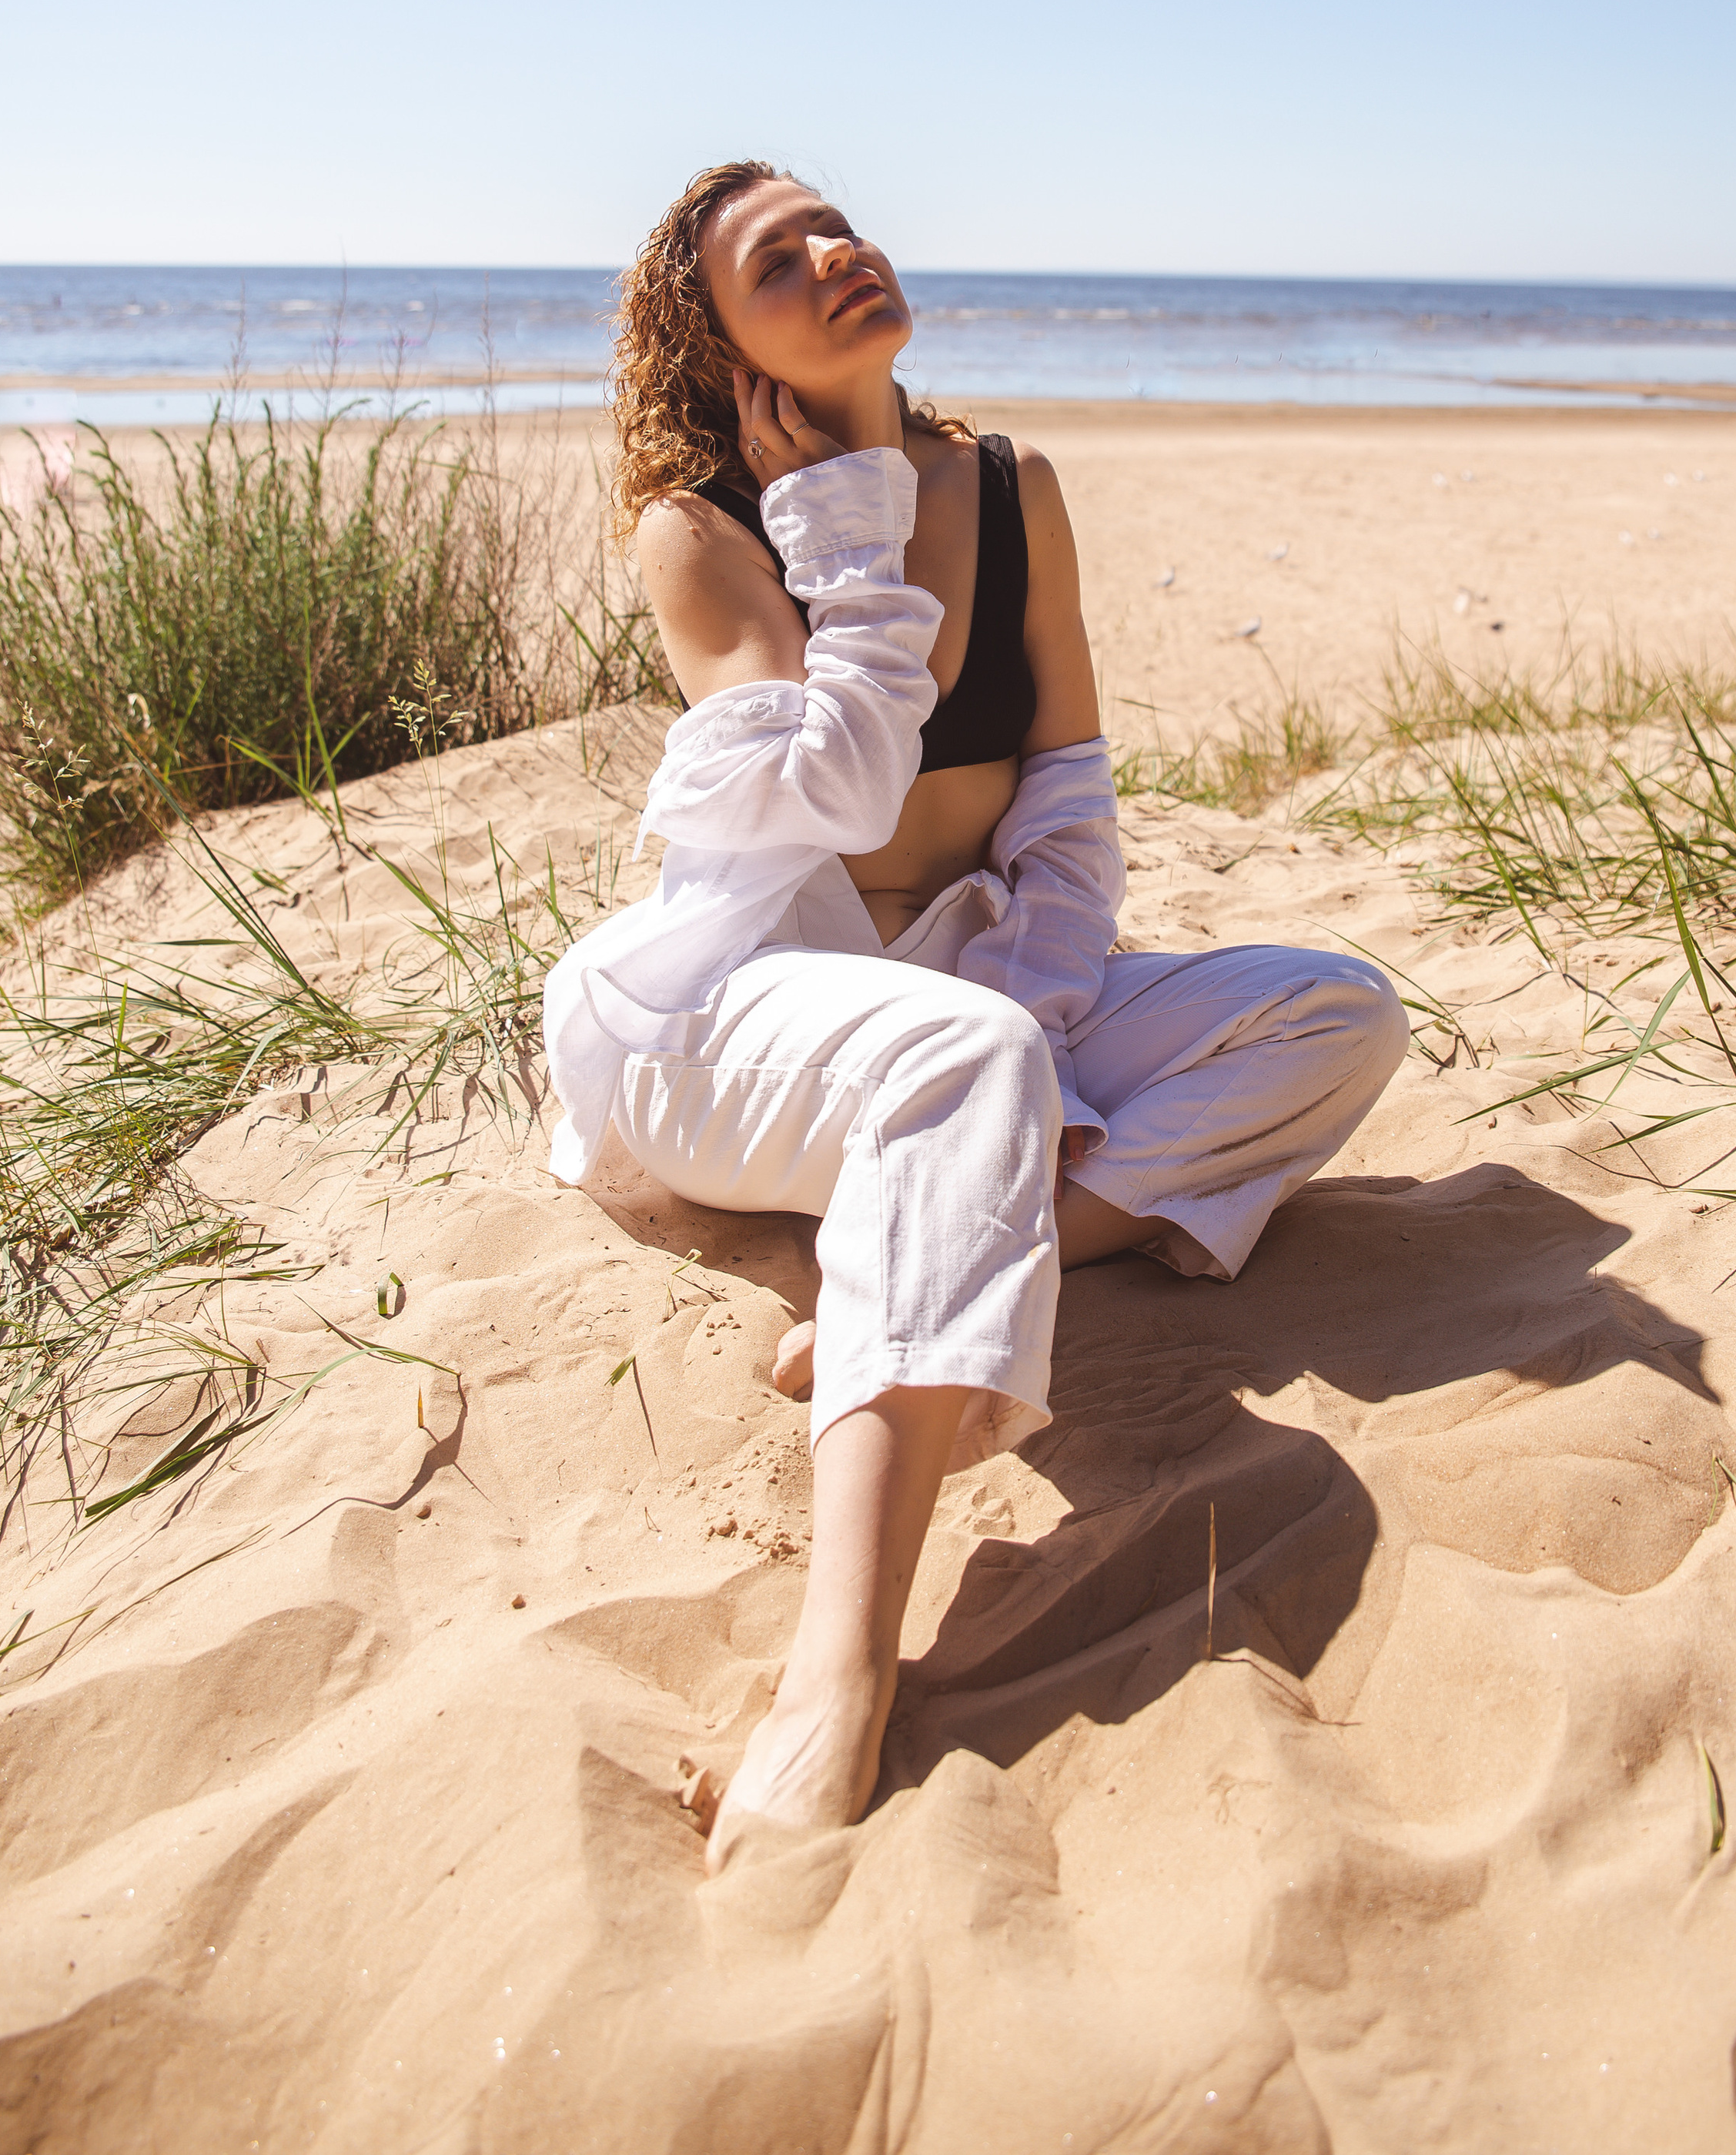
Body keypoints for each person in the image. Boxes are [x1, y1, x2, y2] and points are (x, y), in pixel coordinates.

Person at [543, 160, 1407, 1864]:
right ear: (715, 345)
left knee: (1337, 1010)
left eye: (834, 224)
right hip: (730, 1026)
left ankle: (984, 1242)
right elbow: (843, 800)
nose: (833, 254)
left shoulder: (1009, 486)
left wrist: (1031, 993)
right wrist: (846, 542)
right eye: (774, 261)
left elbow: (1068, 804)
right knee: (970, 1057)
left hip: (971, 988)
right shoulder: (702, 528)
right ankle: (837, 1670)